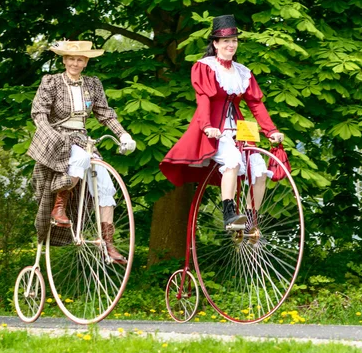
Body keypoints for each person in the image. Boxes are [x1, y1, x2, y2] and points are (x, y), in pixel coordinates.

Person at [159, 15, 284, 230]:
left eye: (234, 41)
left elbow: (256, 104)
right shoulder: (205, 67)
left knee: (260, 170)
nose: (230, 45)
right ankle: (229, 214)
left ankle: (250, 219)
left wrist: (270, 131)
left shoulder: (243, 72)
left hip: (240, 130)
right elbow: (204, 99)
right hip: (215, 131)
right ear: (215, 44)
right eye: (225, 41)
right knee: (233, 160)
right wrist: (207, 126)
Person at [27, 40, 136, 263]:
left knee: (105, 183)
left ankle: (107, 243)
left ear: (86, 62)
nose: (75, 63)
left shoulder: (92, 85)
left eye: (80, 59)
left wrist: (123, 134)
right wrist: (50, 135)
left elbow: (105, 114)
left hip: (82, 139)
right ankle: (59, 208)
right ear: (64, 60)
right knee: (83, 157)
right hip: (57, 138)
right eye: (71, 59)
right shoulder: (52, 82)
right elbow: (39, 114)